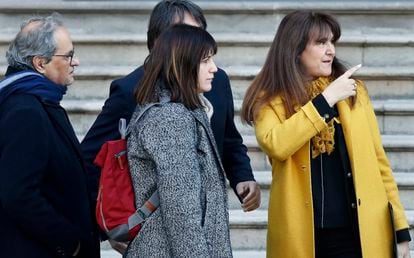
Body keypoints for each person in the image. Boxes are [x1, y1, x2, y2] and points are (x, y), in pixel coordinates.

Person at [241, 10, 411, 258]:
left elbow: (378, 162)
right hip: (304, 236)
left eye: (332, 42)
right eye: (321, 43)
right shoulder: (270, 99)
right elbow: (276, 144)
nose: (331, 50)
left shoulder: (354, 92)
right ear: (295, 49)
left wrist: (400, 229)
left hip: (358, 234)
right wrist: (326, 99)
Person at [81, 0, 260, 220]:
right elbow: (90, 160)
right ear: (159, 42)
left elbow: (228, 138)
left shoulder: (216, 79)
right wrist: (116, 226)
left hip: (210, 214)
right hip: (156, 221)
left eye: (199, 33)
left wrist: (243, 176)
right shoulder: (130, 90)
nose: (196, 42)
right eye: (185, 33)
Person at [125, 24, 232, 257]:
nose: (214, 68)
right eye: (205, 61)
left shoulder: (184, 110)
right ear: (181, 64)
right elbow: (181, 209)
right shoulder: (169, 118)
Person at [0, 14, 100, 258]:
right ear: (40, 63)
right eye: (68, 55)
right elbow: (18, 194)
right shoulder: (25, 111)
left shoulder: (38, 101)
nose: (75, 61)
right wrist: (68, 242)